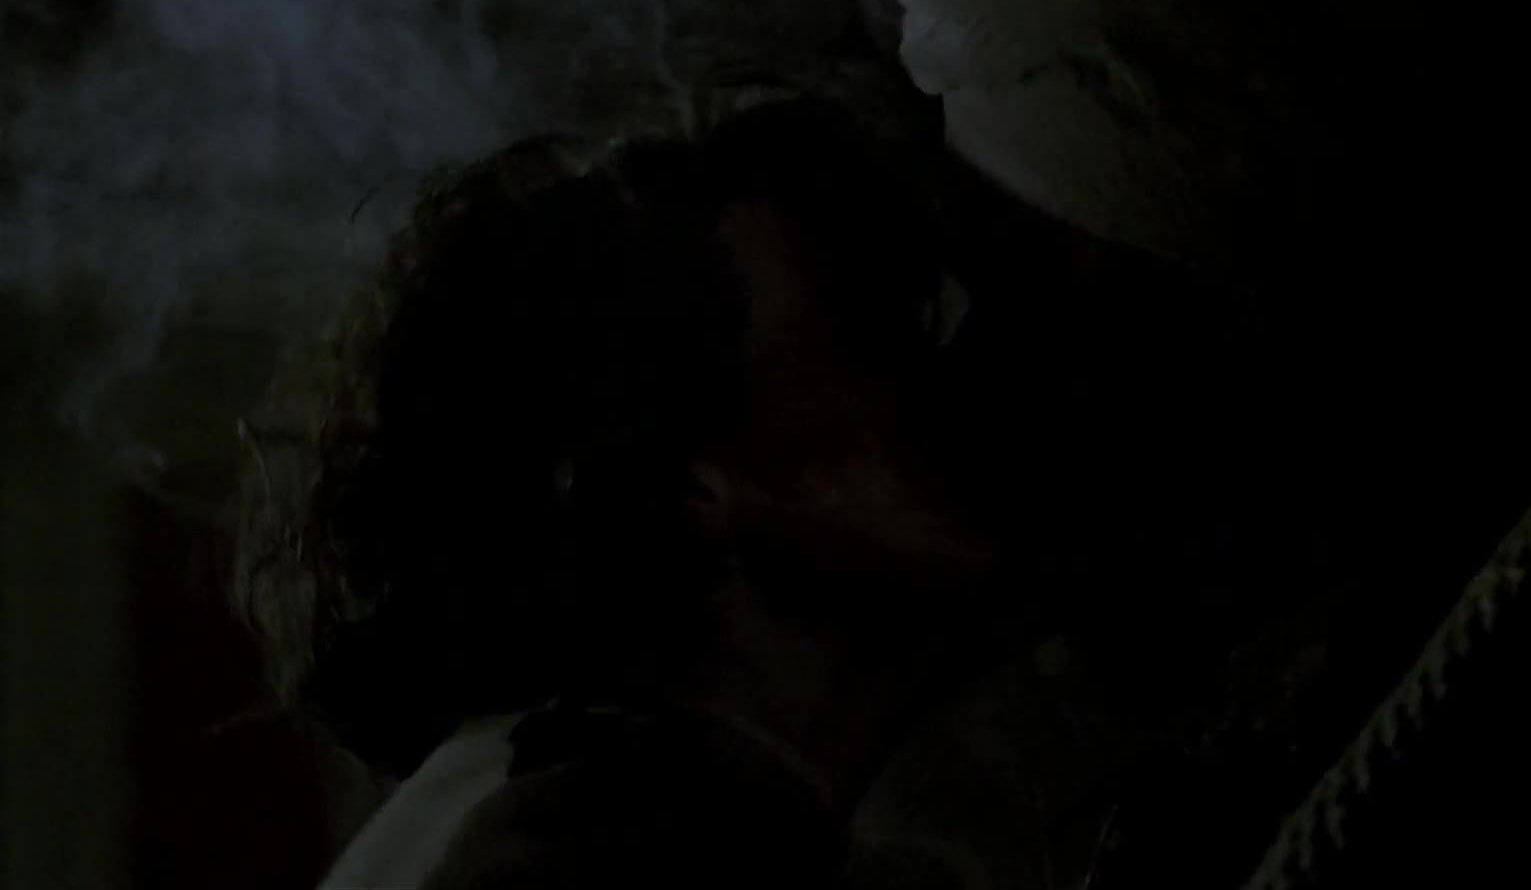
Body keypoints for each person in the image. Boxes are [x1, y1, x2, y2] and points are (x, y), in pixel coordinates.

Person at [230, 94, 1044, 887]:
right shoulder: (608, 837)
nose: (960, 385)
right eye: (875, 330)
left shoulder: (563, 790)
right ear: (701, 488)